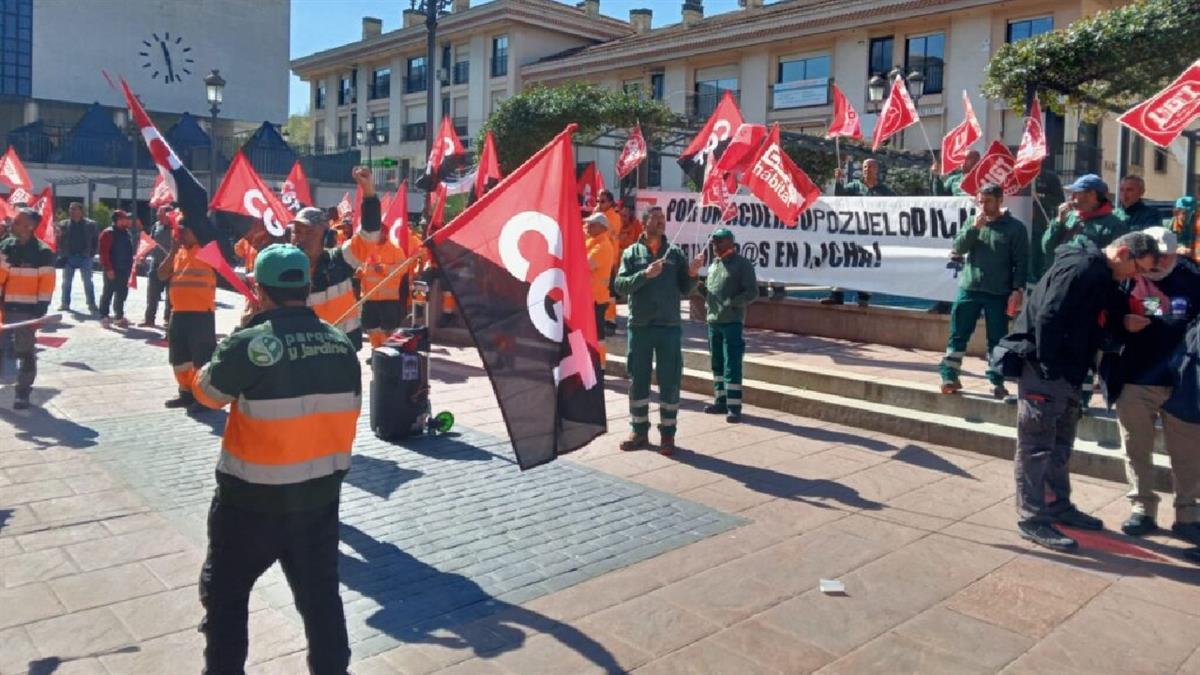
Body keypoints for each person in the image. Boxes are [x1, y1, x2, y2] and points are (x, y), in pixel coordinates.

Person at [190, 243, 360, 675]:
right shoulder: (341, 345)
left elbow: (207, 395)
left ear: (259, 292)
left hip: (250, 504)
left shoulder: (249, 343)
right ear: (306, 288)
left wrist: (235, 337)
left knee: (226, 600)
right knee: (321, 602)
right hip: (318, 503)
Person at [1006, 230, 1160, 550]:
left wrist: (1122, 325)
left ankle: (1056, 505)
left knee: (1060, 445)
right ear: (1121, 253)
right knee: (1036, 446)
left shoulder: (1104, 276)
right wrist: (1049, 367)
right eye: (1138, 268)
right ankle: (1033, 518)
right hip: (1044, 370)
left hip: (1070, 371)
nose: (1138, 276)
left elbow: (1099, 319)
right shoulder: (1081, 268)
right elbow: (1049, 314)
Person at [1101, 227, 1200, 543]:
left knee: (1187, 454)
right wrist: (1122, 324)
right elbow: (1103, 317)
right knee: (1135, 447)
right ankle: (1142, 507)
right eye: (1150, 259)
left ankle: (1188, 515)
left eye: (1163, 258)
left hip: (1181, 383)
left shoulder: (1192, 277)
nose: (1154, 265)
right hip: (1134, 378)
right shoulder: (1125, 275)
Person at [614, 206, 704, 455]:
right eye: (656, 220)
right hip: (641, 327)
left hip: (669, 328)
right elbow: (620, 286)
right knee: (638, 379)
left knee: (670, 380)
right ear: (644, 224)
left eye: (663, 220)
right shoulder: (632, 253)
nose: (661, 223)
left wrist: (694, 273)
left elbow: (686, 289)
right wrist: (645, 274)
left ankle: (668, 435)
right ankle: (639, 431)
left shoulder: (674, 253)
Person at [940, 184, 1028, 399]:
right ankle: (949, 376)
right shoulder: (973, 222)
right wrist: (974, 229)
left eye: (988, 201)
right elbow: (959, 247)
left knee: (997, 339)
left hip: (998, 292)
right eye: (980, 201)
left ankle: (996, 381)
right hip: (969, 288)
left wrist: (1017, 289)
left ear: (1000, 201)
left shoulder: (1015, 228)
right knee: (958, 334)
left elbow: (1022, 262)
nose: (983, 206)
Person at [288, 167, 381, 350]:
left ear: (326, 238)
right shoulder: (282, 267)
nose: (301, 238)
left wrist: (368, 191)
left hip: (342, 348)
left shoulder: (340, 260)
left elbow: (370, 234)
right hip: (302, 353)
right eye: (296, 232)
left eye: (310, 232)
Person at [0, 208, 55, 409]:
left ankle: (22, 392)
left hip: (26, 312)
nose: (10, 225)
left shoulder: (43, 252)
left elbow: (46, 284)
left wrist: (40, 311)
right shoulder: (6, 245)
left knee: (25, 352)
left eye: (16, 222)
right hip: (4, 309)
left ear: (29, 227)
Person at [158, 223, 217, 410]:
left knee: (202, 360)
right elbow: (161, 275)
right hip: (178, 314)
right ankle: (186, 393)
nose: (180, 234)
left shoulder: (209, 251)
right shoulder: (178, 252)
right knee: (180, 359)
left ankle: (204, 398)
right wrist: (172, 251)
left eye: (184, 231)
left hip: (201, 314)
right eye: (179, 231)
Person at [701, 228, 758, 423]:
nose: (715, 245)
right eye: (714, 242)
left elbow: (752, 292)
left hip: (731, 322)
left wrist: (732, 302)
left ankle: (734, 406)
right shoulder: (714, 265)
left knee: (731, 364)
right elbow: (709, 291)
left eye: (719, 242)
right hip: (713, 321)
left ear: (731, 243)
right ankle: (721, 400)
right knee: (717, 362)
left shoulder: (742, 265)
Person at [824, 158, 893, 306]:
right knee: (843, 260)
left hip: (872, 236)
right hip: (852, 233)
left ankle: (864, 297)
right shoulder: (854, 186)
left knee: (868, 265)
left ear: (877, 170)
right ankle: (836, 294)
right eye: (865, 167)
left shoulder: (885, 191)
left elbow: (896, 208)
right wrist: (838, 181)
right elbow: (839, 198)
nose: (867, 169)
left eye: (870, 167)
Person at [1041, 173, 1129, 271]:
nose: (1071, 198)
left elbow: (1117, 262)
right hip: (1061, 274)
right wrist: (1059, 221)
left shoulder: (1114, 225)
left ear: (1092, 195)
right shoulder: (1069, 217)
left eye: (1076, 193)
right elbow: (1047, 248)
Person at [584, 212, 616, 366]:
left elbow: (585, 264)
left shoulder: (602, 246)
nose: (587, 226)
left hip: (596, 299)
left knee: (597, 336)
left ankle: (600, 366)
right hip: (591, 298)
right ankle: (594, 365)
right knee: (592, 335)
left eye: (591, 224)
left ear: (602, 228)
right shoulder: (592, 242)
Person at [56, 202, 98, 314]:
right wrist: (61, 253)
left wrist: (91, 254)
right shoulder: (63, 224)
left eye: (74, 209)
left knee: (88, 282)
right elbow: (59, 240)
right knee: (66, 282)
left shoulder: (90, 224)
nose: (72, 211)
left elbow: (95, 240)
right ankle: (65, 303)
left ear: (81, 211)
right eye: (70, 209)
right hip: (69, 257)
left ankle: (91, 304)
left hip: (85, 257)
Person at [1027, 163, 1066, 284]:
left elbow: (1059, 199)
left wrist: (1040, 197)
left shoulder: (1050, 177)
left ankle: (1039, 280)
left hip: (1042, 224)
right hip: (1023, 222)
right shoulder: (1022, 175)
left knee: (1039, 254)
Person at [97, 209, 135, 329]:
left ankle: (119, 316)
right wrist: (108, 269)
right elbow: (104, 253)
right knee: (108, 292)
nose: (127, 220)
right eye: (124, 218)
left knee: (122, 293)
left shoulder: (126, 233)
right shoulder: (108, 233)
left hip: (125, 269)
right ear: (118, 220)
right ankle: (104, 316)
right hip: (113, 268)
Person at [140, 206, 176, 328]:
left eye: (160, 213)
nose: (158, 215)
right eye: (158, 213)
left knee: (170, 296)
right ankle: (149, 319)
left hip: (172, 266)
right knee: (152, 294)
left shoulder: (176, 227)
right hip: (155, 264)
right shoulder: (156, 226)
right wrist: (143, 255)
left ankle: (168, 320)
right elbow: (151, 241)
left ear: (169, 214)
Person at [1172, 195, 1198, 261]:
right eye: (1183, 212)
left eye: (1189, 213)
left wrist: (1192, 251)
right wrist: (1176, 249)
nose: (1185, 216)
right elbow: (1159, 247)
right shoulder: (1166, 226)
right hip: (1173, 263)